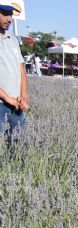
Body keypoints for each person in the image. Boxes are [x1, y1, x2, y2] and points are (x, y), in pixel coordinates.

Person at [0, 2, 28, 135]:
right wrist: (6, 98)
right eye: (5, 14)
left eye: (10, 15)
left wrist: (24, 96)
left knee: (18, 149)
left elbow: (21, 70)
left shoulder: (13, 40)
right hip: (1, 103)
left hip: (16, 105)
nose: (10, 19)